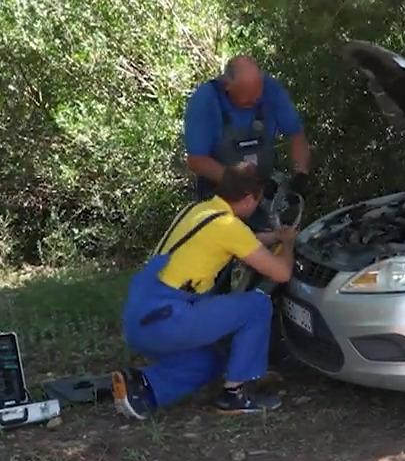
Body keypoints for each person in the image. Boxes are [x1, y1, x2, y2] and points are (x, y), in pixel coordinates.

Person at [113, 164, 295, 417]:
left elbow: (246, 240)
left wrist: (274, 237)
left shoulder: (199, 210)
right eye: (258, 200)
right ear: (248, 199)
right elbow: (282, 273)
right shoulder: (229, 227)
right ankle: (234, 395)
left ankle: (143, 386)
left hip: (140, 320)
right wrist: (288, 244)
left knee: (211, 361)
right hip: (167, 317)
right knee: (257, 306)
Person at [182, 53, 312, 233]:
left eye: (257, 97)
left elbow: (296, 134)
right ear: (227, 86)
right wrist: (240, 184)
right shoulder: (205, 101)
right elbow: (196, 161)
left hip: (264, 187)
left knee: (281, 237)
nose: (254, 102)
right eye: (246, 101)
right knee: (231, 242)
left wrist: (301, 174)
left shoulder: (272, 91)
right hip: (219, 192)